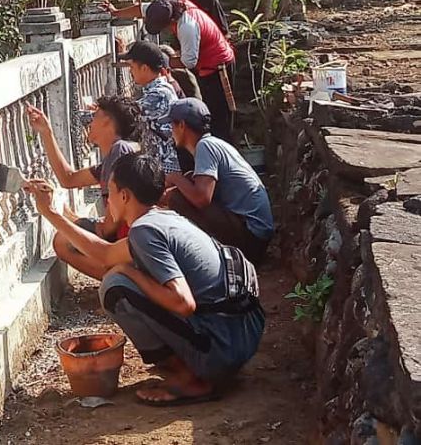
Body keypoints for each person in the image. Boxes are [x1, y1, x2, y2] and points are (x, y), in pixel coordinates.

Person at [25, 153, 265, 406]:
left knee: (115, 287)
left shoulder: (144, 231)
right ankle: (196, 365)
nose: (108, 202)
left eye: (110, 193)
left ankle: (190, 380)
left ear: (125, 196)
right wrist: (50, 213)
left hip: (223, 345)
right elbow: (105, 254)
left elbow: (183, 303)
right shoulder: (163, 218)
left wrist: (129, 273)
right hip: (243, 333)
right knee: (118, 275)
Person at [25, 96, 143, 279]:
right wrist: (46, 132)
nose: (90, 121)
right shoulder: (116, 154)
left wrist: (80, 226)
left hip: (130, 239)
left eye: (95, 116)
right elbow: (69, 179)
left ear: (106, 121)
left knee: (63, 241)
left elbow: (111, 226)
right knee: (71, 227)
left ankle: (118, 279)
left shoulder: (120, 150)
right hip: (128, 236)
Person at [162, 99, 274, 265]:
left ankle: (204, 258)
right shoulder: (215, 144)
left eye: (172, 124)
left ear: (182, 126)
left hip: (252, 236)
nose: (171, 130)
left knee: (176, 198)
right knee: (183, 188)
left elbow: (202, 198)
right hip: (256, 234)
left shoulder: (205, 147)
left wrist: (175, 178)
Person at [144, 0, 236, 143]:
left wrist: (163, 61)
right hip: (205, 66)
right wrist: (116, 12)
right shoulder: (168, 4)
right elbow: (141, 8)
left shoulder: (187, 26)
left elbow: (188, 62)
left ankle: (220, 151)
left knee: (219, 118)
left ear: (170, 22)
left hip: (218, 67)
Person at [118, 41, 181, 174]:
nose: (130, 71)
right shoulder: (159, 89)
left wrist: (87, 116)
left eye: (132, 67)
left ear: (145, 68)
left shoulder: (159, 94)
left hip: (166, 167)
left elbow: (126, 114)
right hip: (158, 163)